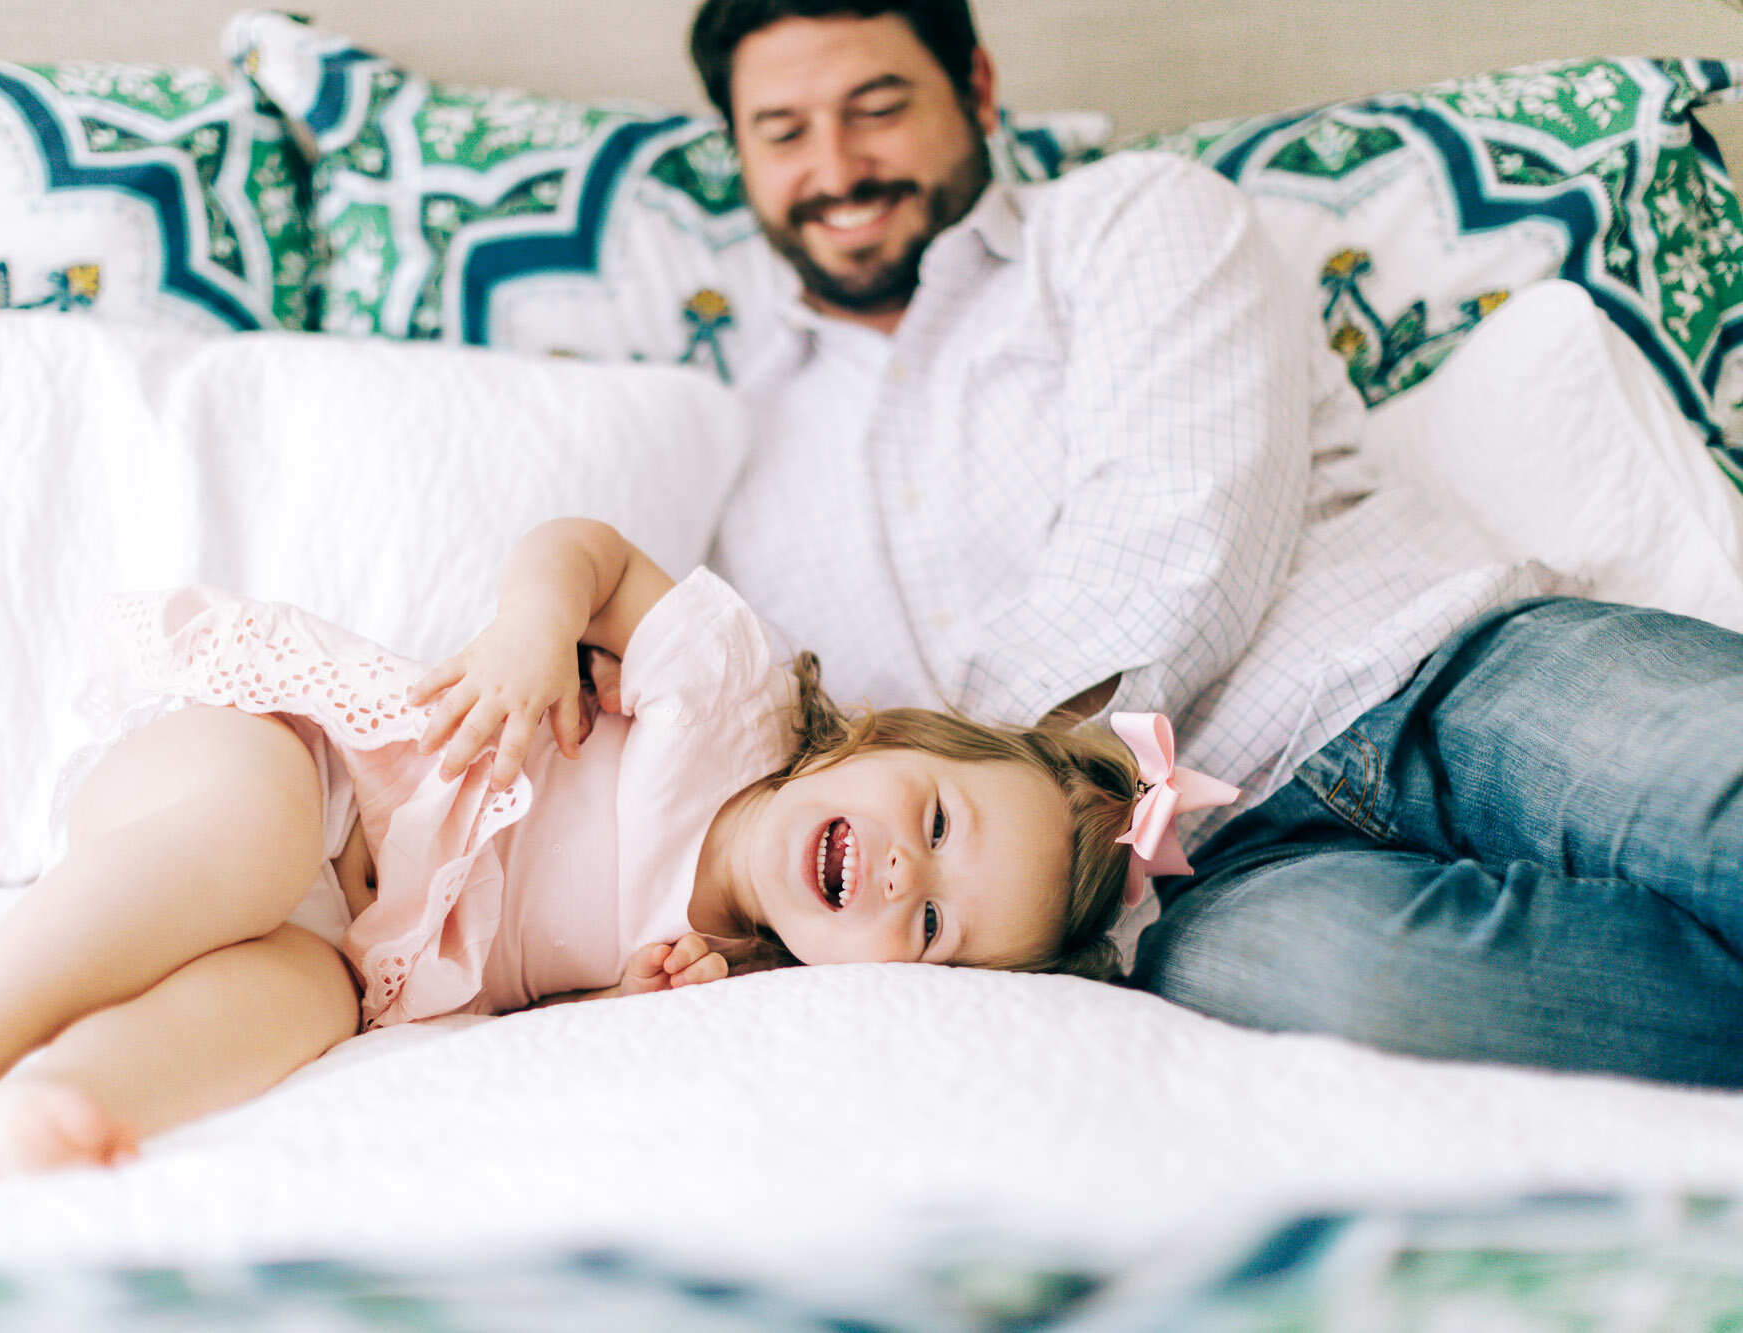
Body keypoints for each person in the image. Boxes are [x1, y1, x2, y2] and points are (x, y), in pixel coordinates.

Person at [687, 0, 1743, 1087]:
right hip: (1188, 898)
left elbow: (1182, 515)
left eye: (876, 107)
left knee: (1715, 789)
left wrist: (1002, 782)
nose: (837, 165)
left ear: (977, 90)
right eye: (781, 131)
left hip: (1434, 675)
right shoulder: (738, 458)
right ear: (739, 153)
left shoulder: (1128, 219)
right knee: (1369, 987)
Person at [0, 517, 1224, 1176]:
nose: (907, 876)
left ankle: (46, 1111)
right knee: (251, 833)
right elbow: (588, 547)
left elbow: (528, 1008)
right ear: (874, 745)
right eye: (933, 821)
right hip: (290, 755)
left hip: (352, 945)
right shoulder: (725, 701)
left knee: (289, 1008)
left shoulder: (716, 973)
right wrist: (537, 629)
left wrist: (614, 1008)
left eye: (930, 928)